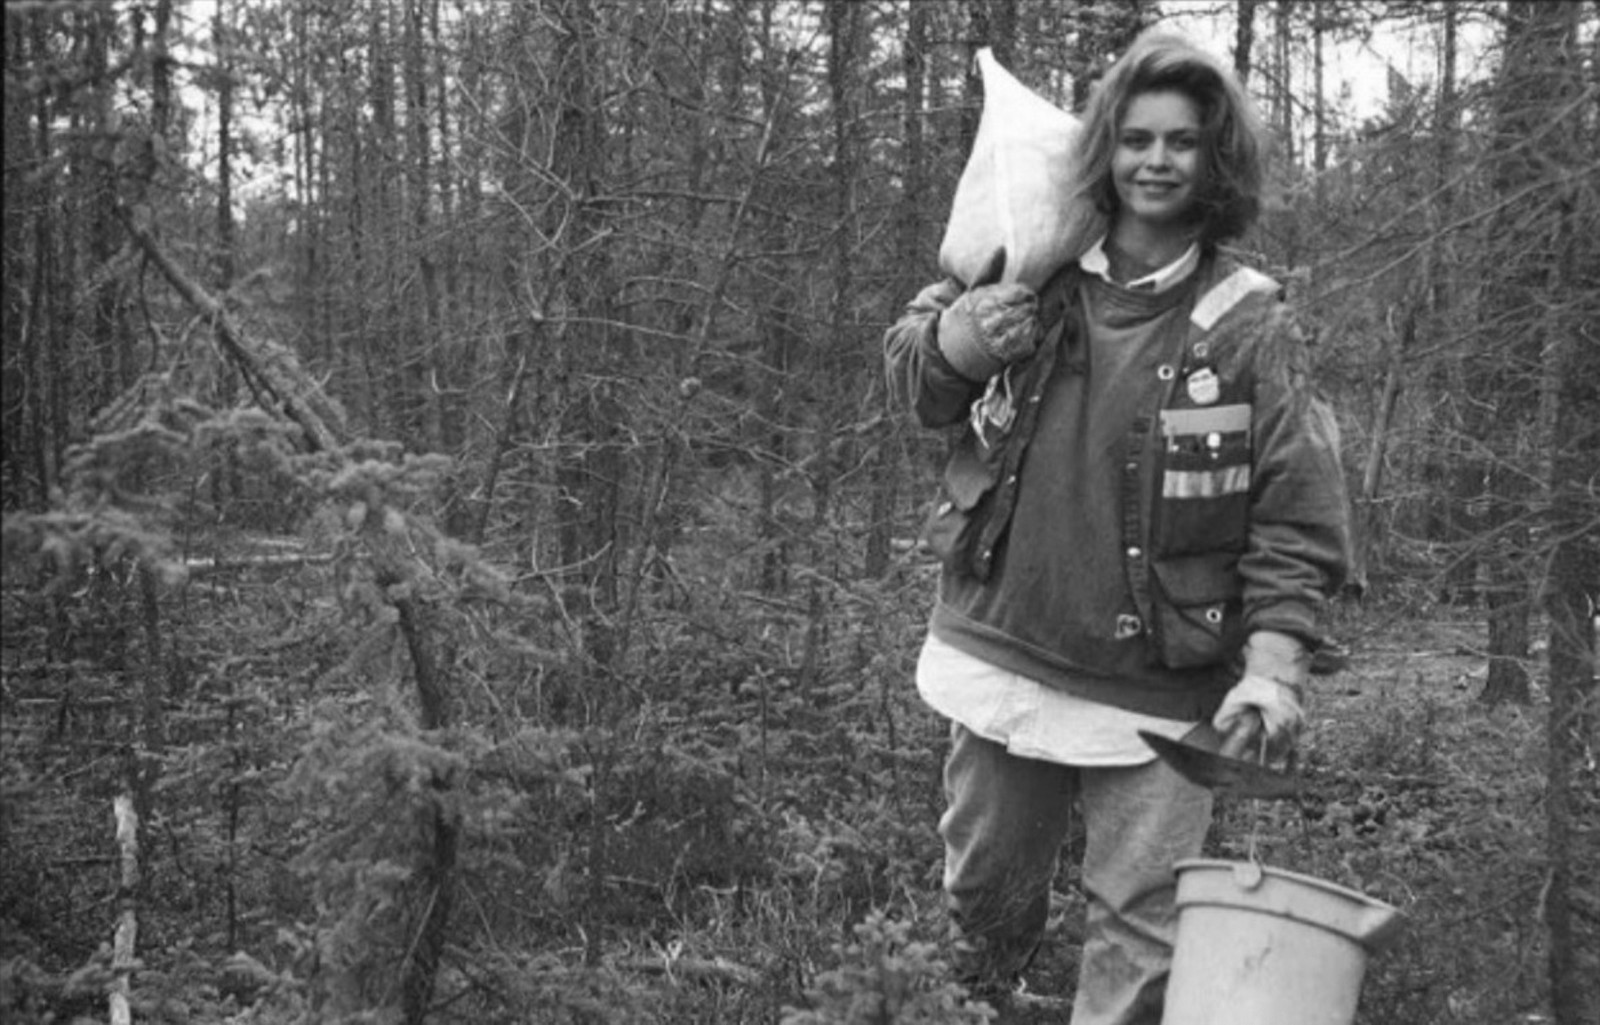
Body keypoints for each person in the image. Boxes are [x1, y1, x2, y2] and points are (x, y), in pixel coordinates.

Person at [883, 28, 1350, 1025]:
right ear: (1104, 146)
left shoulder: (1251, 323)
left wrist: (1271, 663)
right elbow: (913, 377)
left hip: (1162, 682)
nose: (1154, 160)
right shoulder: (1030, 256)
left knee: (1140, 926)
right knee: (981, 905)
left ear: (1214, 156)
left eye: (1180, 140)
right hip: (1006, 649)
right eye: (1135, 138)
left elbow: (1295, 512)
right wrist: (958, 342)